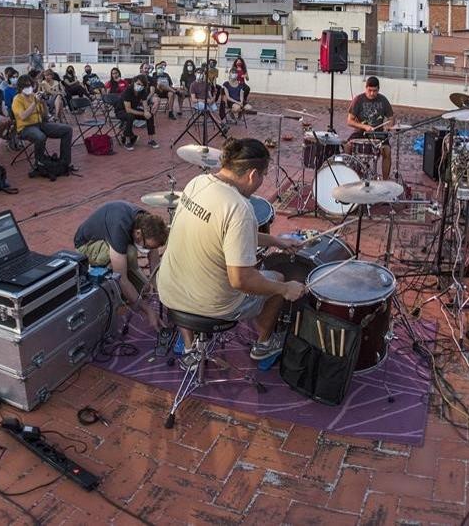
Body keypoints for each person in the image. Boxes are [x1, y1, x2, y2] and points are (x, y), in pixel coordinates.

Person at [156, 138, 305, 361]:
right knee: (276, 278)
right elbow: (241, 281)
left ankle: (190, 350)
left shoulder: (197, 183)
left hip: (169, 290)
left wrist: (276, 241)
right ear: (253, 174)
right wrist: (284, 289)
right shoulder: (239, 208)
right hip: (212, 306)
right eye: (262, 176)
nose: (260, 182)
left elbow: (222, 232)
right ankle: (263, 344)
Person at [74, 202, 168, 329]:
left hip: (117, 239)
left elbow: (155, 262)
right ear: (138, 234)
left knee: (144, 290)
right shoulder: (119, 228)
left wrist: (162, 290)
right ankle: (108, 279)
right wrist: (149, 311)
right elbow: (122, 279)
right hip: (86, 246)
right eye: (147, 247)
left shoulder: (148, 222)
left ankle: (125, 274)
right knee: (129, 253)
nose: (148, 250)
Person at [12, 75, 76, 171]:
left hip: (40, 124)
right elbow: (23, 116)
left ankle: (65, 162)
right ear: (20, 87)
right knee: (40, 136)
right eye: (26, 86)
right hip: (25, 128)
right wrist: (35, 103)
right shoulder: (17, 99)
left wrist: (43, 103)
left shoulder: (34, 96)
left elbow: (45, 116)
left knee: (67, 130)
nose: (29, 88)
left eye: (30, 85)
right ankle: (39, 161)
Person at [345, 76, 396, 180]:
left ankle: (385, 181)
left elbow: (391, 118)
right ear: (366, 88)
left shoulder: (383, 100)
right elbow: (349, 121)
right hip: (360, 133)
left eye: (375, 91)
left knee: (387, 151)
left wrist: (388, 126)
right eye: (370, 90)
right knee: (347, 146)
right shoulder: (358, 100)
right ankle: (350, 176)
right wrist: (364, 126)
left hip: (378, 134)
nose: (372, 93)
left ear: (378, 89)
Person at [117, 75, 159, 150]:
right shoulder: (128, 91)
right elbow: (128, 110)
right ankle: (127, 141)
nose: (140, 86)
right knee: (130, 116)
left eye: (142, 85)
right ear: (134, 82)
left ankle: (151, 139)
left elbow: (145, 104)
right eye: (138, 84)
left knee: (150, 115)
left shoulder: (143, 91)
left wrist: (146, 112)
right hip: (121, 111)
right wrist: (143, 113)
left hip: (133, 110)